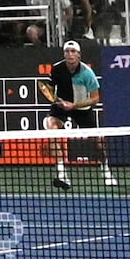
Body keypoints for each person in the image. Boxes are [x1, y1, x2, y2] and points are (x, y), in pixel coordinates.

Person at [43, 36, 111, 190]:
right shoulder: (56, 69)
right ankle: (61, 173)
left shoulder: (88, 73)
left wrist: (74, 105)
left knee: (98, 141)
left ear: (79, 55)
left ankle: (105, 169)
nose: (70, 54)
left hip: (81, 108)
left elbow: (95, 98)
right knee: (53, 131)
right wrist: (57, 100)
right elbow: (48, 89)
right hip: (61, 105)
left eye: (73, 51)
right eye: (67, 51)